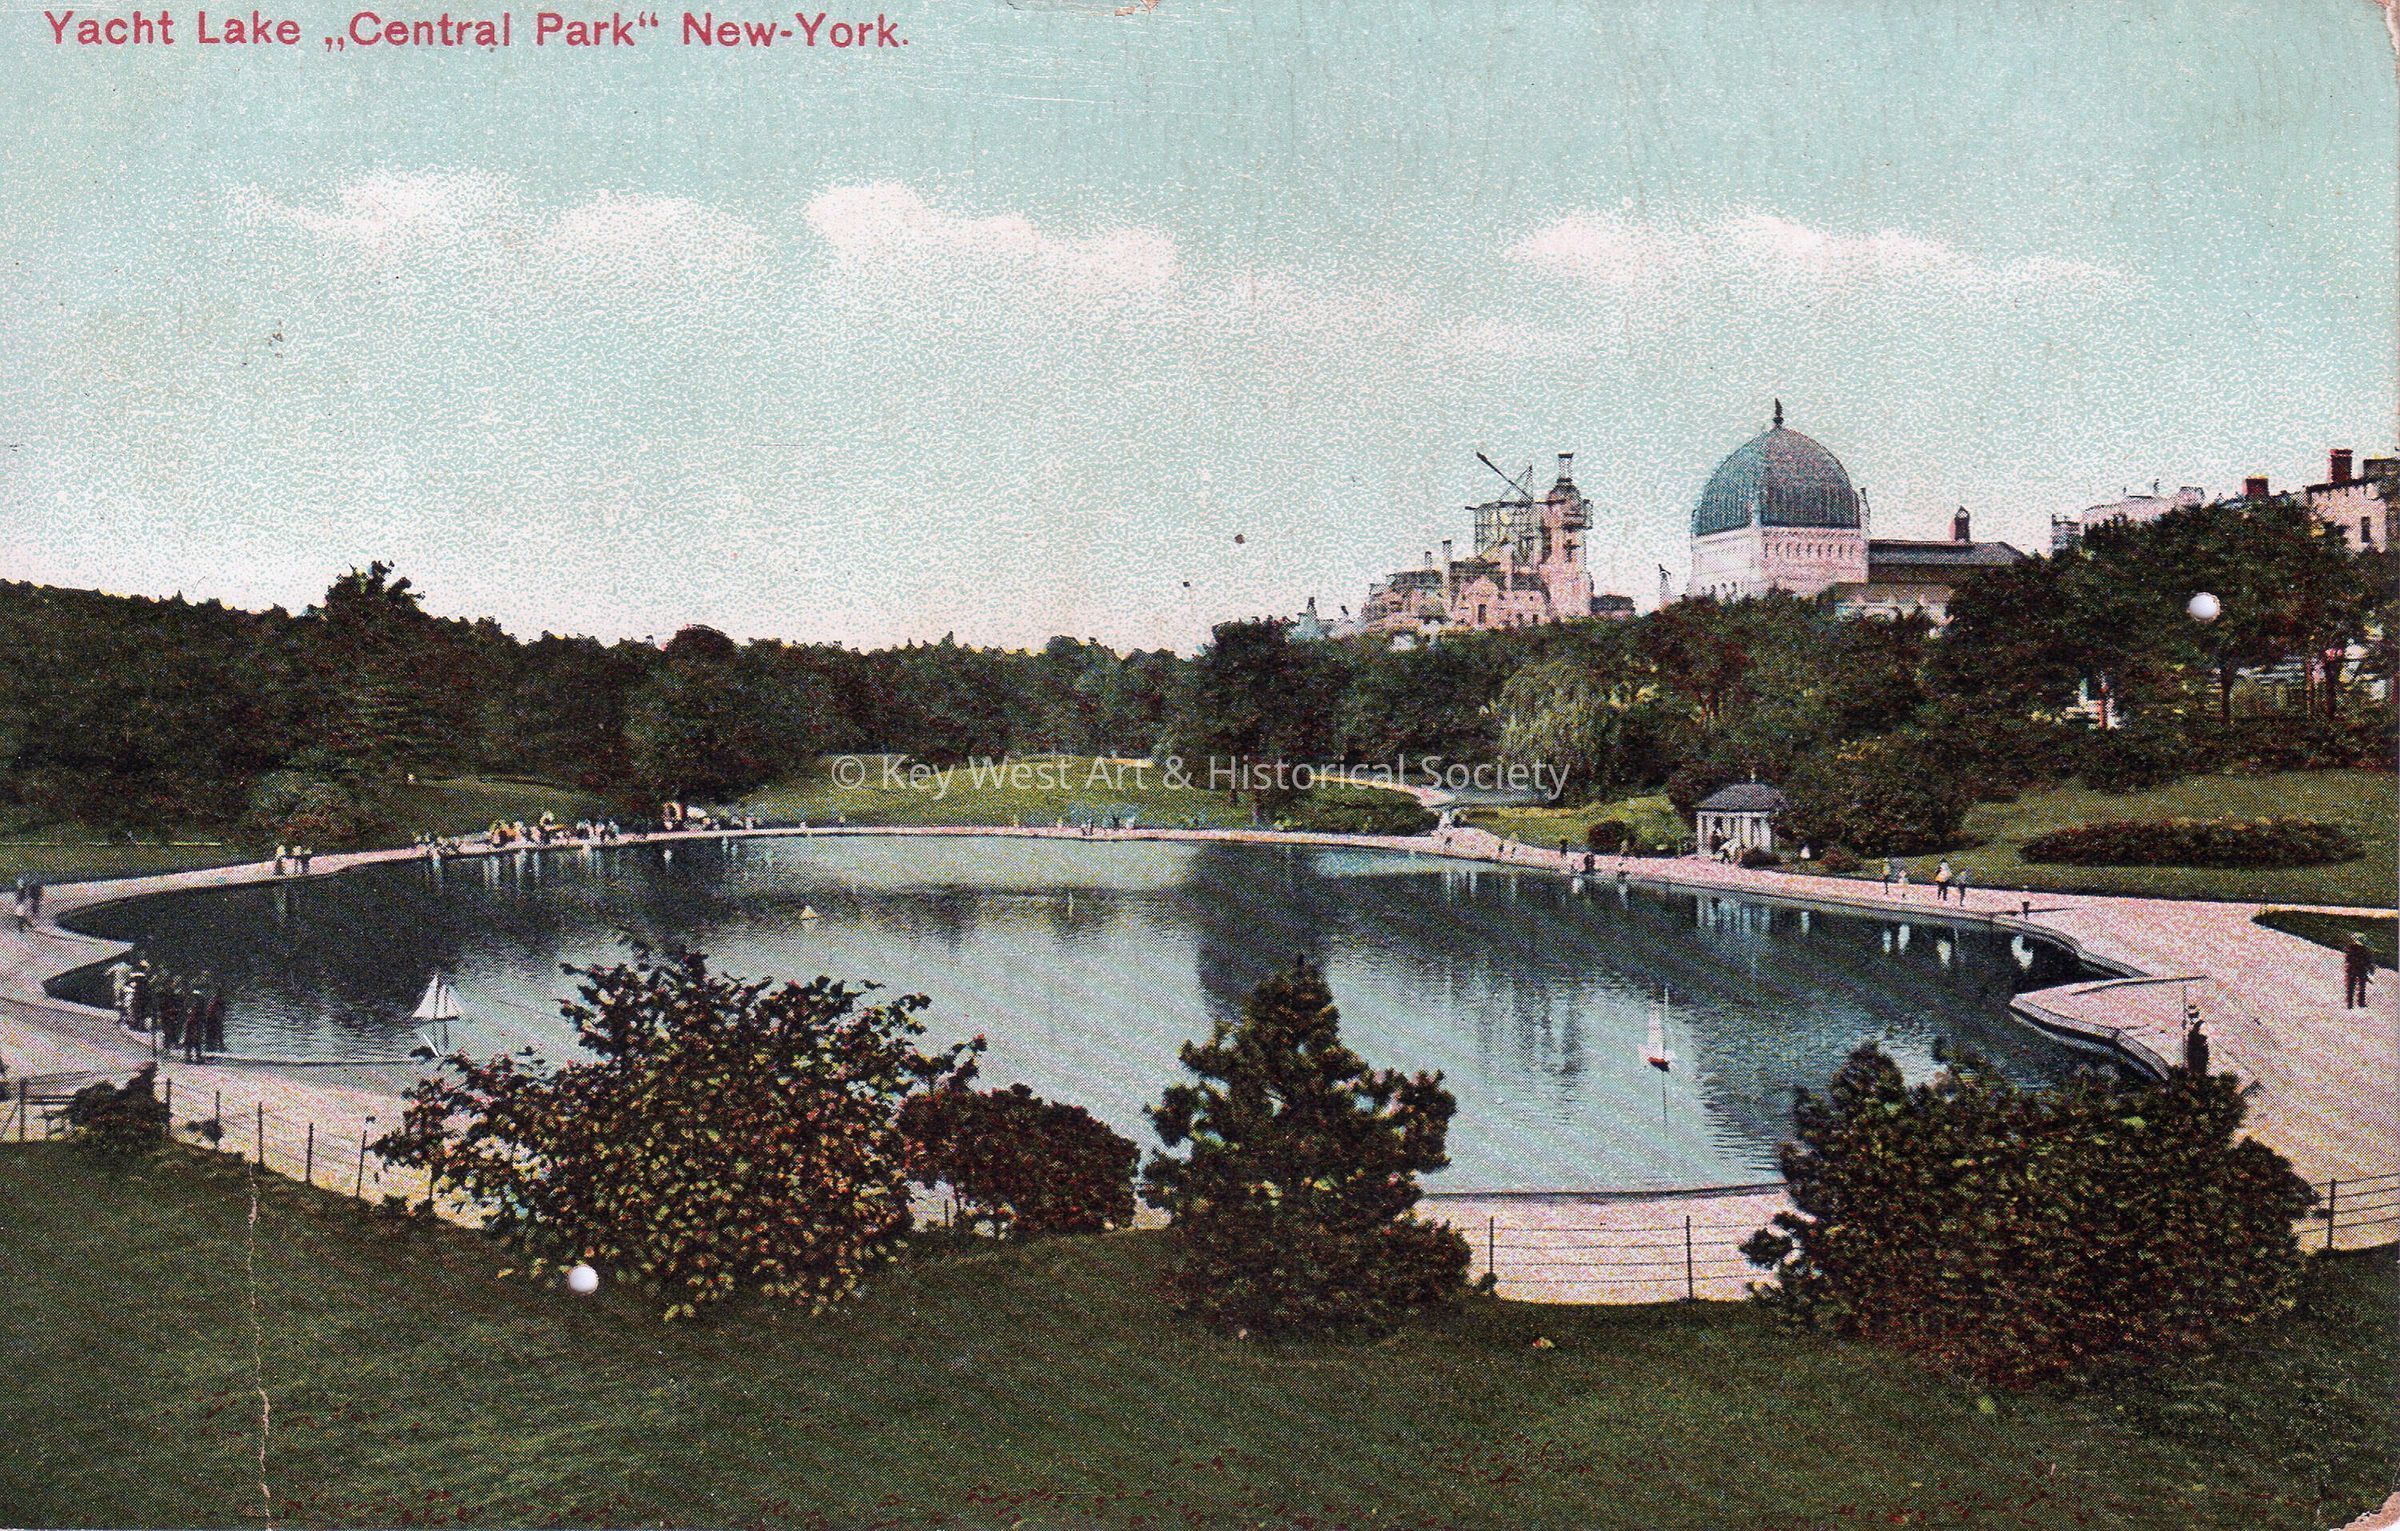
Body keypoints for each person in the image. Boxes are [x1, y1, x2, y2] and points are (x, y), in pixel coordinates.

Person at [2344, 935, 2376, 1009]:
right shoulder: (2365, 950)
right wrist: (2371, 969)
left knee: (2352, 987)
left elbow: (2348, 959)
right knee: (2361, 987)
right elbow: (2369, 962)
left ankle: (2350, 1003)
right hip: (2361, 970)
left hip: (2353, 969)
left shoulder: (2351, 949)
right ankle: (2360, 1003)